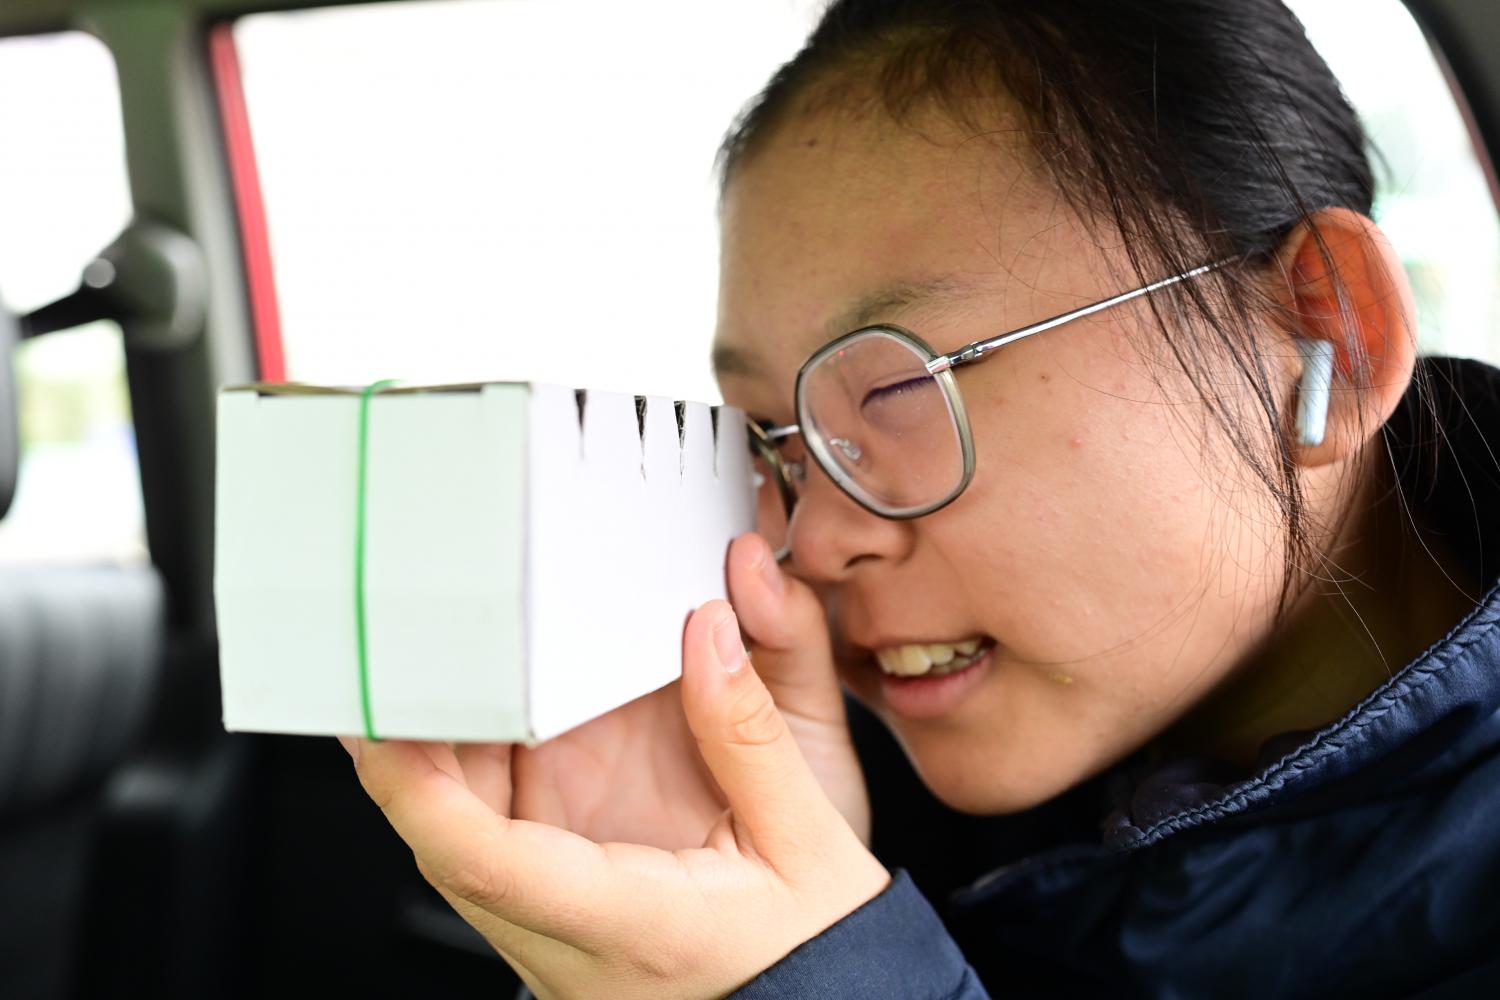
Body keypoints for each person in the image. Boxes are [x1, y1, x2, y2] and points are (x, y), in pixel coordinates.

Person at [336, 1, 1500, 996]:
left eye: (898, 387)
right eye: (772, 437)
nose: (810, 541)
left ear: (1324, 335)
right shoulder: (836, 785)